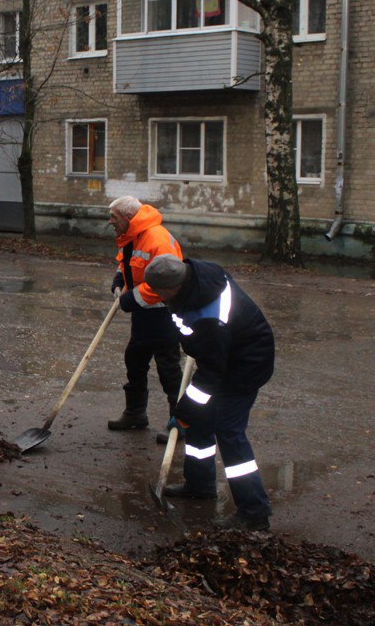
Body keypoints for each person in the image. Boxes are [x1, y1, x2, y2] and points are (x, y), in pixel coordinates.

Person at [142, 253, 275, 532]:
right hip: (220, 354)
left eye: (158, 293)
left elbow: (211, 375)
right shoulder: (198, 277)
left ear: (172, 289)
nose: (156, 297)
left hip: (245, 364)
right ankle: (200, 484)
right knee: (201, 422)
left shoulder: (210, 318)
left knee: (228, 431)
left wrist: (184, 411)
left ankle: (254, 511)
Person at [107, 196, 184, 442]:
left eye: (113, 217)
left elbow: (168, 281)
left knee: (168, 369)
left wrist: (131, 299)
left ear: (128, 218)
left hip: (163, 313)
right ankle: (135, 413)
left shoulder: (158, 239)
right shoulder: (131, 235)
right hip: (143, 315)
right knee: (135, 360)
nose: (110, 222)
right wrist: (120, 280)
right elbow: (128, 264)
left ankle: (180, 422)